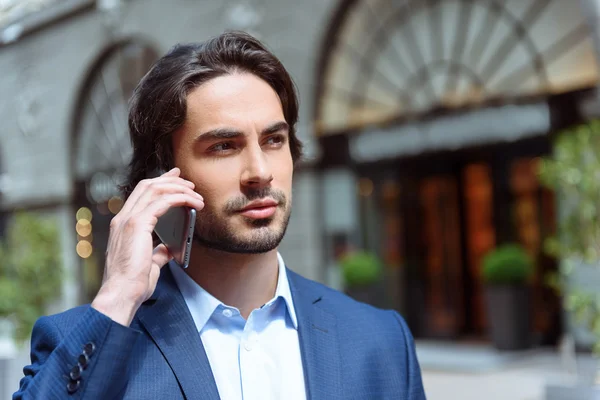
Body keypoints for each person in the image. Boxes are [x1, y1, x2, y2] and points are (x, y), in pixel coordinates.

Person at [13, 31, 426, 400]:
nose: (260, 171)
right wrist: (119, 298)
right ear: (162, 177)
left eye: (273, 140)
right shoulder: (88, 342)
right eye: (224, 146)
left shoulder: (381, 341)